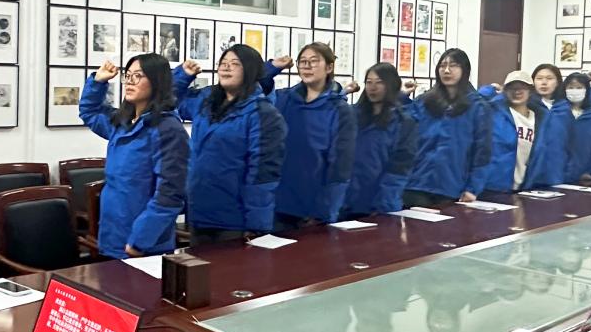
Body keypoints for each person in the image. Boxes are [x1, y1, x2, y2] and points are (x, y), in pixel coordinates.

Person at [78, 54, 188, 259]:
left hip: (143, 243)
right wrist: (98, 82)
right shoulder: (123, 122)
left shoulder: (167, 128)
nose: (130, 82)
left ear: (156, 81)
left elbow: (170, 193)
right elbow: (90, 112)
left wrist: (141, 240)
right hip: (113, 234)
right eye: (128, 76)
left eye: (138, 76)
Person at [173, 45, 286, 244]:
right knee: (198, 264)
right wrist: (183, 76)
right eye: (223, 63)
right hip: (200, 210)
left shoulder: (263, 113)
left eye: (235, 64)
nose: (226, 67)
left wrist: (257, 226)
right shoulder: (206, 102)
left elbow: (263, 174)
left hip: (235, 219)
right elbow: (170, 100)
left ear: (250, 70)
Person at [259, 43, 357, 226]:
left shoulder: (340, 109)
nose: (307, 66)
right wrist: (273, 67)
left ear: (329, 67)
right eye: (302, 62)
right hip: (278, 203)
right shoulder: (284, 99)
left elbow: (340, 167)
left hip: (313, 210)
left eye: (313, 61)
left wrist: (326, 212)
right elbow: (252, 86)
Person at [401, 48, 492, 207]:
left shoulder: (477, 106)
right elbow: (402, 128)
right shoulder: (425, 101)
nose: (447, 70)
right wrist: (402, 97)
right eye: (442, 66)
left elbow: (482, 152)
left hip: (452, 188)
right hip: (417, 184)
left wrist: (473, 188)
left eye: (454, 65)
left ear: (465, 70)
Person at [345, 63, 417, 216]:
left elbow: (400, 168)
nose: (373, 87)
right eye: (369, 82)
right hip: (347, 201)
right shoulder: (352, 115)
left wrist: (384, 204)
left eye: (379, 82)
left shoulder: (403, 122)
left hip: (380, 203)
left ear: (390, 85)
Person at [482, 71, 554, 192]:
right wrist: (490, 90)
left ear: (530, 91)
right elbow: (475, 100)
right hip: (495, 187)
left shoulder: (541, 118)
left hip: (526, 188)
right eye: (512, 88)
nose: (517, 92)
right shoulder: (494, 113)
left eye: (522, 88)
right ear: (505, 91)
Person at [562, 72, 591, 183]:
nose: (575, 91)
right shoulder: (556, 114)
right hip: (555, 177)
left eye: (579, 87)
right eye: (571, 87)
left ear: (587, 90)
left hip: (583, 179)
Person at [532, 63, 572, 185]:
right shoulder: (527, 106)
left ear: (558, 82)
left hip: (557, 170)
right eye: (539, 78)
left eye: (549, 78)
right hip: (531, 170)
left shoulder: (565, 108)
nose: (544, 83)